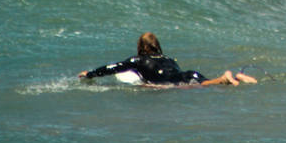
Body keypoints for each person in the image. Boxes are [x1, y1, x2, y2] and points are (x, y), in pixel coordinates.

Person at [78, 32, 257, 87]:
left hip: (177, 82)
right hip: (188, 74)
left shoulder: (137, 61)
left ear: (141, 47)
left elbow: (113, 68)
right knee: (206, 83)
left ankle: (225, 78)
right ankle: (240, 77)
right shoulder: (168, 58)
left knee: (207, 86)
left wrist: (90, 74)